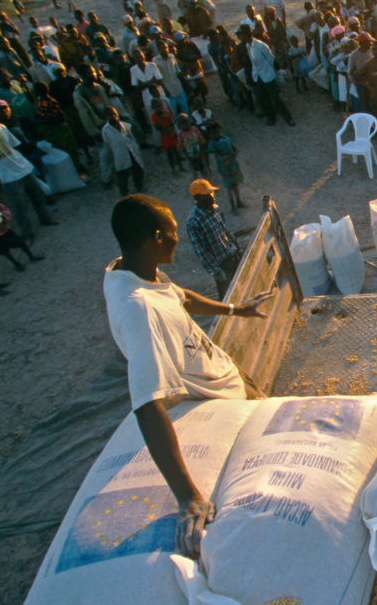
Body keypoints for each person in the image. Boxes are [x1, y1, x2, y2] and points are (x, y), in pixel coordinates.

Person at [104, 194, 270, 558]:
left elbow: (180, 297)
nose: (178, 238)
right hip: (221, 398)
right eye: (172, 232)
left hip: (222, 369)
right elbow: (147, 405)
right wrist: (189, 497)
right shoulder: (139, 311)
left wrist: (235, 309)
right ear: (156, 238)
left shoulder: (130, 270)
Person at [0, 107, 56, 241]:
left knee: (38, 197)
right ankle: (26, 232)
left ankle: (45, 219)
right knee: (19, 207)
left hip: (23, 168)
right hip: (8, 177)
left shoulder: (1, 127)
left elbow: (14, 145)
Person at [186, 178, 243, 297]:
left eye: (211, 193)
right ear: (197, 198)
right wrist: (215, 270)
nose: (211, 196)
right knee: (228, 297)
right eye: (206, 194)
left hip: (233, 255)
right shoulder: (194, 221)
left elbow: (226, 231)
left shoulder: (216, 209)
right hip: (221, 264)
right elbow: (200, 249)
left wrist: (238, 249)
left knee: (243, 288)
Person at [101, 106, 145, 195]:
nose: (113, 116)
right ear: (106, 117)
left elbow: (131, 137)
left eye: (115, 113)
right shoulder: (106, 130)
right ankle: (124, 191)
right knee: (122, 174)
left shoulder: (124, 125)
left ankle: (139, 186)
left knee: (137, 169)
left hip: (130, 150)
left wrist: (135, 147)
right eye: (110, 114)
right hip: (119, 154)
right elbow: (107, 146)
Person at [205, 120, 245, 213]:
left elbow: (234, 150)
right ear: (209, 134)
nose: (215, 134)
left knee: (235, 185)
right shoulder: (212, 144)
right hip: (225, 169)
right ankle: (233, 206)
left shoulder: (226, 139)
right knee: (229, 188)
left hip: (232, 165)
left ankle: (238, 202)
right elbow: (224, 157)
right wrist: (231, 156)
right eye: (213, 133)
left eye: (216, 132)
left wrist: (229, 157)